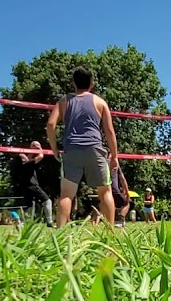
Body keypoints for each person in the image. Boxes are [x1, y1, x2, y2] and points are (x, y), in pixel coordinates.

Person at [46, 66, 119, 228]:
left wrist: (54, 149)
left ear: (74, 83)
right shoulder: (100, 102)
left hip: (71, 149)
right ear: (91, 84)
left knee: (66, 195)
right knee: (105, 192)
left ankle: (60, 236)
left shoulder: (64, 101)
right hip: (95, 149)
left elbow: (50, 124)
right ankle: (110, 234)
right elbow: (109, 131)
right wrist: (115, 156)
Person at [20, 141, 54, 225]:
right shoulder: (26, 164)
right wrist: (39, 148)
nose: (25, 155)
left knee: (30, 207)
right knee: (47, 201)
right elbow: (41, 156)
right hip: (32, 186)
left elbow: (30, 157)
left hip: (25, 187)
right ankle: (49, 221)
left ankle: (22, 223)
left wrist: (32, 149)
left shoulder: (24, 164)